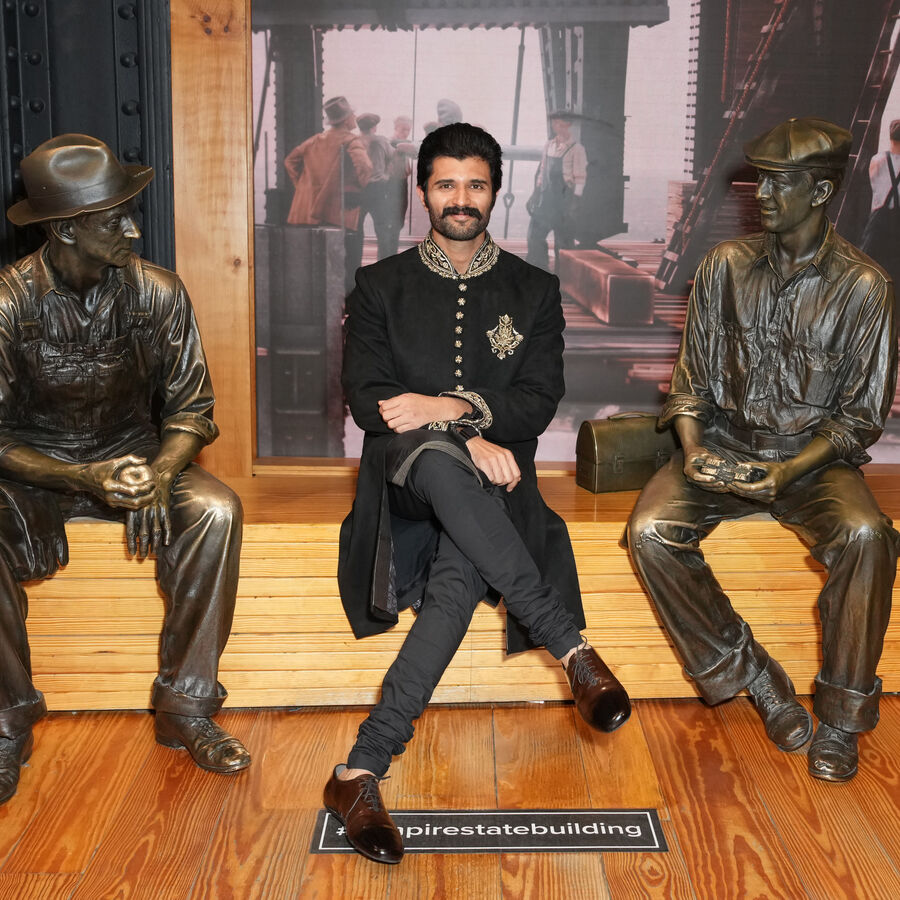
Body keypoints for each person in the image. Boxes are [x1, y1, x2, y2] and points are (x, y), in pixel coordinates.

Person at [324, 123, 631, 864]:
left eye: (476, 185)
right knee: (434, 462)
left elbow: (537, 400)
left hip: (498, 491)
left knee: (463, 572)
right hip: (405, 488)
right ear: (420, 190)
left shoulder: (534, 290)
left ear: (497, 191)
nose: (461, 199)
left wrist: (451, 409)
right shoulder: (379, 285)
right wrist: (457, 429)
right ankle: (572, 646)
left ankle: (360, 769)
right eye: (445, 184)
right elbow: (373, 403)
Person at [627, 117, 898, 784]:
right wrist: (691, 452)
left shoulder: (864, 287)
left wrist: (789, 471)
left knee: (867, 535)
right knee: (651, 531)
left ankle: (841, 716)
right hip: (719, 444)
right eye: (759, 182)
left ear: (822, 191)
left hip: (812, 461)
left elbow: (858, 420)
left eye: (781, 183)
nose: (763, 195)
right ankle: (754, 675)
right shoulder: (723, 267)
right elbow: (690, 385)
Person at [0, 134, 250, 806]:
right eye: (113, 220)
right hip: (34, 469)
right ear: (64, 230)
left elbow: (193, 410)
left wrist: (162, 474)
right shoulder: (7, 304)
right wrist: (84, 478)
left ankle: (186, 707)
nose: (133, 229)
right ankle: (7, 722)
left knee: (217, 510)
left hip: (140, 458)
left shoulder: (158, 293)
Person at [284, 95, 373, 291]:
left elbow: (290, 161)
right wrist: (359, 186)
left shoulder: (315, 141)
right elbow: (365, 167)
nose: (354, 117)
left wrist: (303, 187)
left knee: (318, 261)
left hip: (310, 213)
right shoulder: (351, 141)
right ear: (346, 119)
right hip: (339, 214)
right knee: (347, 260)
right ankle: (346, 302)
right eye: (352, 114)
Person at [526, 111, 588, 271]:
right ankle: (538, 271)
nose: (555, 127)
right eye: (554, 124)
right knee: (535, 236)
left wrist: (575, 202)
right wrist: (535, 193)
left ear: (568, 125)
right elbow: (542, 171)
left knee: (564, 242)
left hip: (564, 201)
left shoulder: (577, 149)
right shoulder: (549, 145)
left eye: (559, 123)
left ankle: (565, 279)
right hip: (546, 200)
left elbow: (580, 178)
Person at [860, 118, 900, 285]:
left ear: (890, 136)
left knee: (870, 270)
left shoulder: (876, 160)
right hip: (896, 226)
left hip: (877, 224)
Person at [356, 113, 396, 261]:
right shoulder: (380, 140)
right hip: (378, 188)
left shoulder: (355, 141)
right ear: (374, 127)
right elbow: (393, 155)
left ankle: (355, 262)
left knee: (357, 228)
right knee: (382, 228)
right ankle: (383, 263)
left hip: (359, 189)